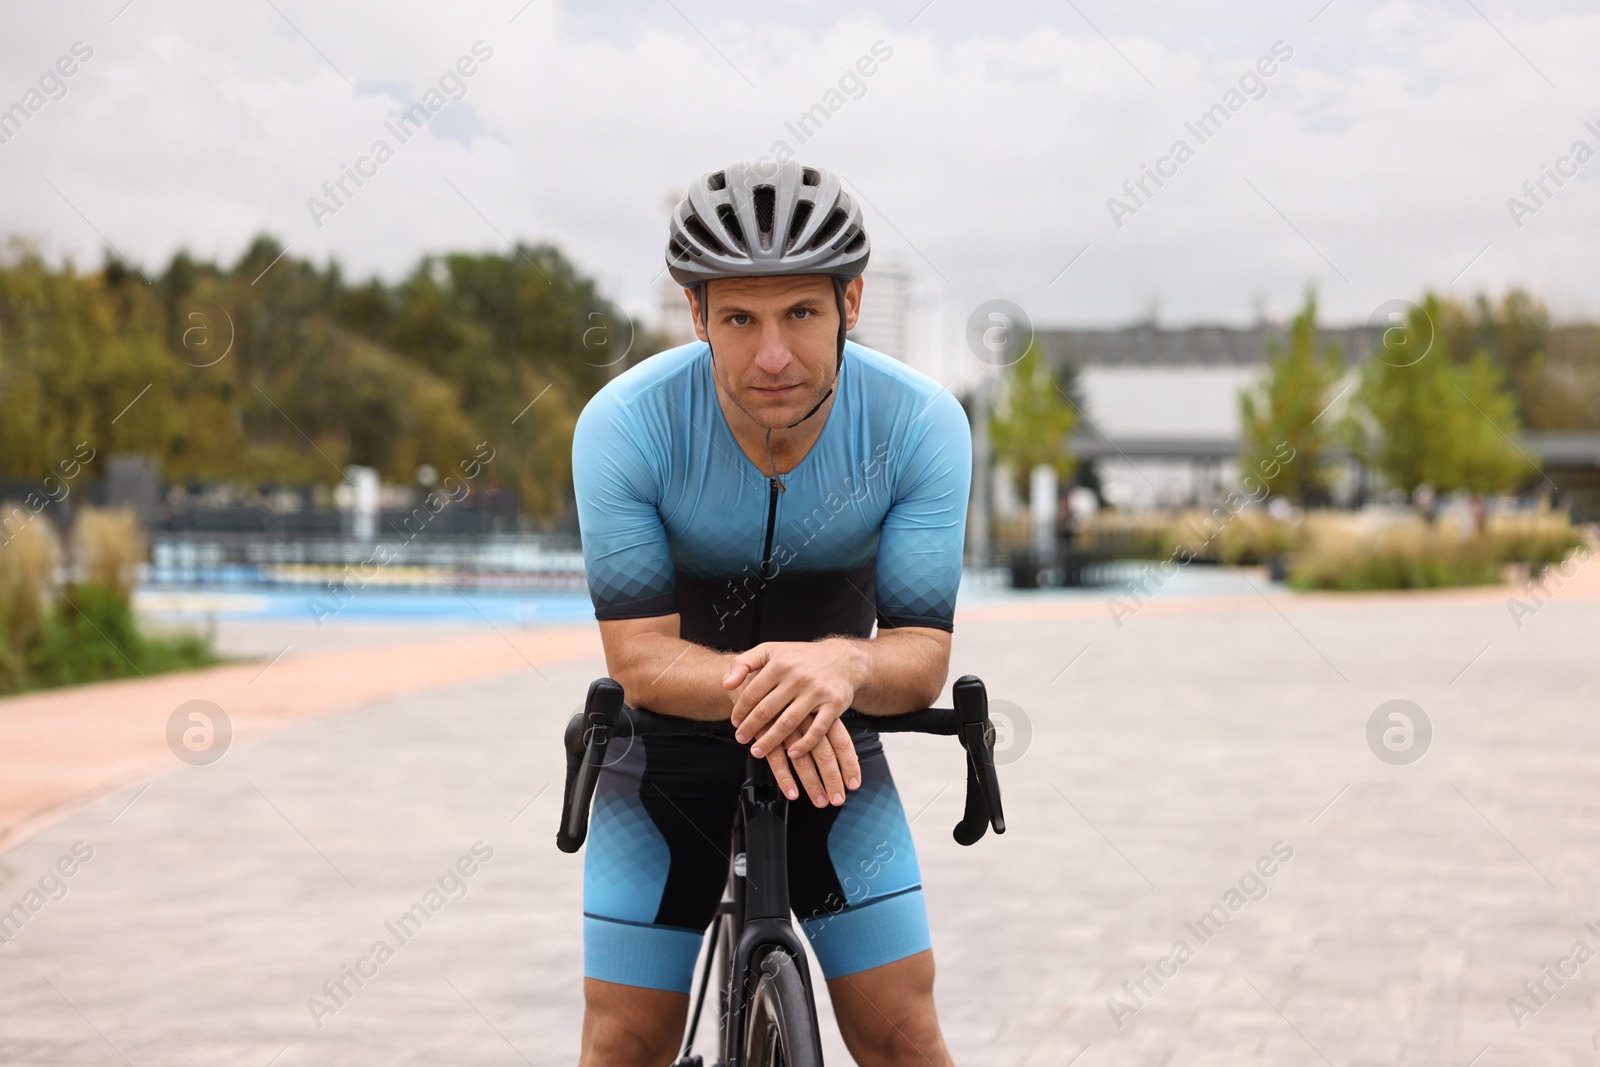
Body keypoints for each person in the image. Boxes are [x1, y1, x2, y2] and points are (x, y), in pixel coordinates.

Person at [570, 160, 971, 1067]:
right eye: (740, 319)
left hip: (836, 742)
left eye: (800, 313)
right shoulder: (625, 425)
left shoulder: (919, 425)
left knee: (906, 1034)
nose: (773, 355)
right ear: (697, 314)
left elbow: (920, 653)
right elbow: (640, 658)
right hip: (664, 748)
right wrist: (790, 680)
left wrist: (846, 667)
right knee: (624, 1038)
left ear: (852, 302)